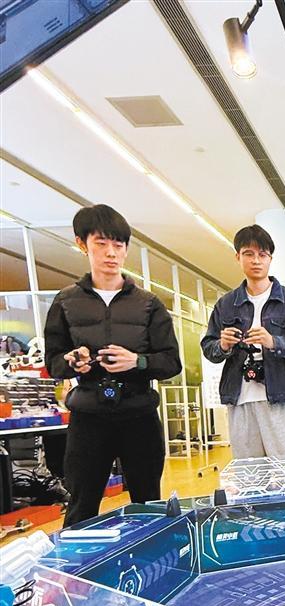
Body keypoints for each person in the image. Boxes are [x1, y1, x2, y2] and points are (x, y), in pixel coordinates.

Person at [44, 204, 182, 527]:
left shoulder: (149, 304)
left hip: (139, 414)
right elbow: (53, 362)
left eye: (118, 245)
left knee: (148, 503)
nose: (111, 253)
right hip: (88, 417)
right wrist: (71, 361)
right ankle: (77, 560)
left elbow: (171, 361)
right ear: (82, 244)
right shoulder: (66, 302)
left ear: (126, 249)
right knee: (81, 504)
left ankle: (154, 556)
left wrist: (138, 361)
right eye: (101, 243)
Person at [201, 225, 285, 460]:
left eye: (262, 254)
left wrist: (274, 341)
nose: (256, 260)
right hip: (239, 399)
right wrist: (223, 345)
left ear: (270, 259)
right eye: (248, 254)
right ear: (238, 257)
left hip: (281, 398)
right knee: (248, 471)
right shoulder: (226, 304)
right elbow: (208, 347)